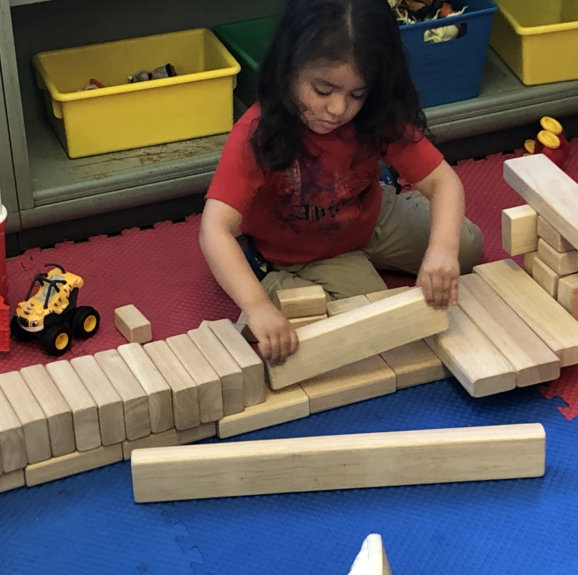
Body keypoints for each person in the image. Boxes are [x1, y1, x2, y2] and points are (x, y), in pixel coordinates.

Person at [200, 0, 483, 366]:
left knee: (466, 245)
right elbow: (214, 228)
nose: (338, 109)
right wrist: (256, 307)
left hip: (369, 215)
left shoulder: (375, 115)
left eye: (356, 95)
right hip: (304, 251)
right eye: (323, 90)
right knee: (378, 325)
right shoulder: (259, 133)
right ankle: (270, 280)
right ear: (289, 69)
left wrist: (442, 251)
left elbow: (444, 181)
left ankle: (397, 236)